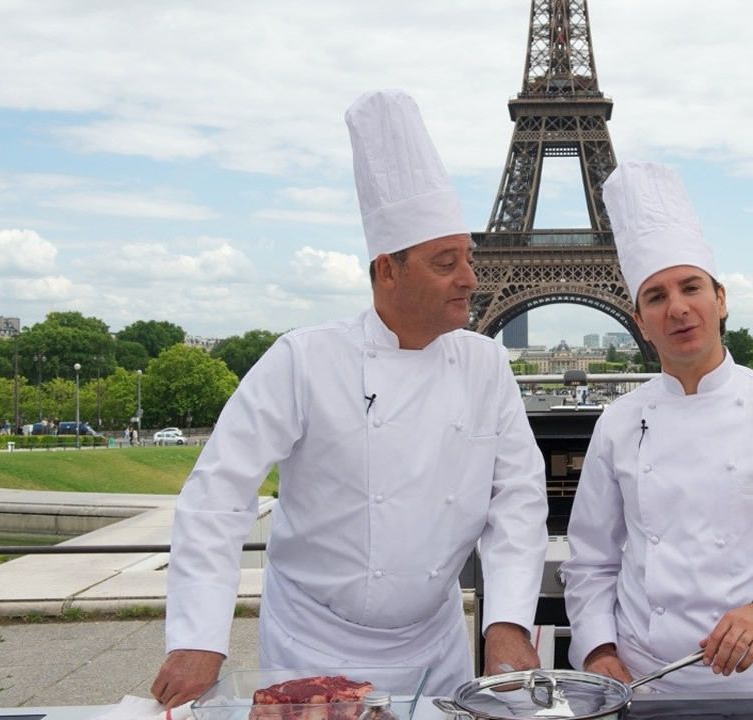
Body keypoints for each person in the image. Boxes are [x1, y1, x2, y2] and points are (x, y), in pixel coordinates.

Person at [150, 90, 549, 708]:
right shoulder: (303, 359)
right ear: (388, 270)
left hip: (433, 644)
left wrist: (508, 624)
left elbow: (518, 499)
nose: (471, 278)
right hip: (312, 642)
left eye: (468, 258)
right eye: (447, 263)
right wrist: (200, 636)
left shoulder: (487, 365)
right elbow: (218, 494)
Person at [560, 161, 753, 693]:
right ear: (639, 320)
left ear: (720, 299)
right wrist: (598, 647)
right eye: (656, 297)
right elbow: (591, 558)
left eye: (691, 288)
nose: (677, 308)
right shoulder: (617, 422)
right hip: (640, 680)